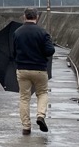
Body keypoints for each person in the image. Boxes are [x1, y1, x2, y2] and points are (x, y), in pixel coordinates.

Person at [14, 7, 55, 135]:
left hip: (22, 69)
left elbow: (13, 51)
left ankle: (26, 127)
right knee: (42, 93)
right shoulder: (42, 32)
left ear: (24, 16)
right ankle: (40, 115)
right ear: (37, 17)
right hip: (39, 69)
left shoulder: (17, 32)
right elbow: (50, 50)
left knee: (24, 98)